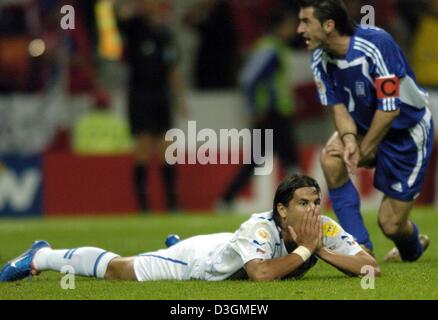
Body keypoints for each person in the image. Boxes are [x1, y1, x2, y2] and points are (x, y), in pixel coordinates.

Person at [0, 175, 379, 283]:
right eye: (303, 203)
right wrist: (305, 251)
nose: (313, 209)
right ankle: (43, 255)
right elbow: (261, 275)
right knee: (120, 270)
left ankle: (176, 244)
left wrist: (322, 249)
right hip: (199, 263)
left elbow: (369, 267)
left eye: (316, 202)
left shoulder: (321, 229)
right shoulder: (259, 228)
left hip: (223, 246)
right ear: (281, 209)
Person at [297, 0, 433, 261]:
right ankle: (359, 247)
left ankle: (412, 247)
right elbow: (338, 108)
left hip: (406, 132)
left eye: (306, 22)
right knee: (331, 158)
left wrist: (362, 149)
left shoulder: (376, 43)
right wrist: (348, 139)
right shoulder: (319, 59)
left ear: (328, 25)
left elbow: (390, 109)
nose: (299, 29)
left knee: (391, 224)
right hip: (363, 126)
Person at [218, 7, 300, 209]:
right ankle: (299, 202)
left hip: (277, 113)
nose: (295, 28)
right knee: (283, 159)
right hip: (271, 114)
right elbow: (248, 78)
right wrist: (253, 108)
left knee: (272, 158)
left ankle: (226, 200)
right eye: (291, 24)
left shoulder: (277, 46)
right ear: (281, 25)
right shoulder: (270, 48)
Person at [115, 0, 187, 212]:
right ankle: (143, 206)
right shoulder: (134, 28)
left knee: (166, 149)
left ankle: (172, 203)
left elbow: (172, 69)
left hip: (161, 97)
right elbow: (117, 15)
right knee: (143, 149)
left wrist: (180, 99)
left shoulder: (166, 35)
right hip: (140, 96)